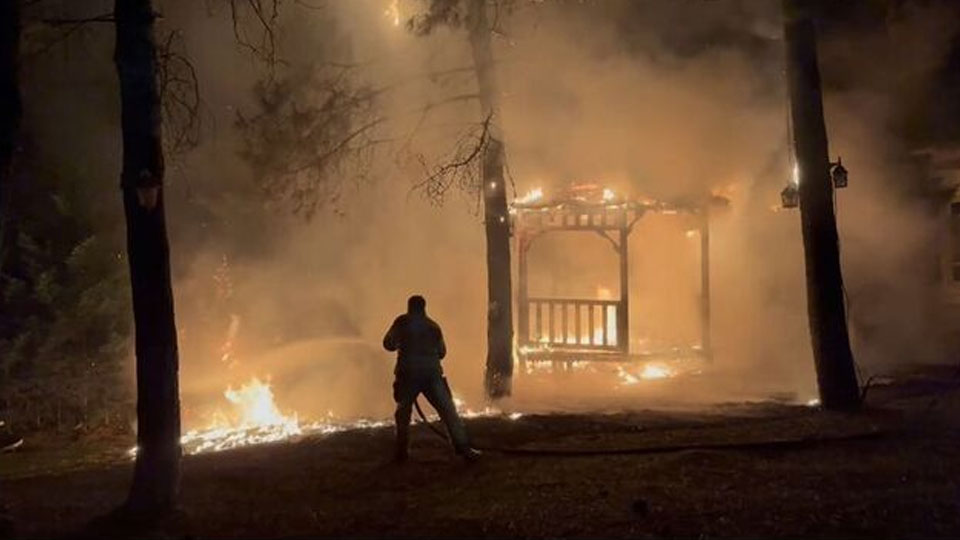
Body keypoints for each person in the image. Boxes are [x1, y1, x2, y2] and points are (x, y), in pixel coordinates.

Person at [383, 295, 480, 463]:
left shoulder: (401, 322)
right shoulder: (433, 326)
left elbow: (388, 343)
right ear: (424, 308)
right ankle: (463, 448)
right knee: (448, 411)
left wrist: (402, 345)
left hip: (408, 375)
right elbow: (442, 352)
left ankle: (401, 452)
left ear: (409, 307)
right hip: (431, 374)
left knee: (403, 413)